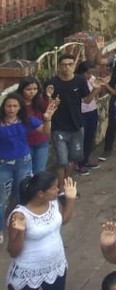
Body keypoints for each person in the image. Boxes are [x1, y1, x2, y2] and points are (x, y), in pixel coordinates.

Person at [6, 172, 76, 290]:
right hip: (30, 273)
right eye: (54, 188)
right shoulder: (19, 215)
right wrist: (20, 231)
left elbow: (63, 220)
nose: (58, 190)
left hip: (56, 266)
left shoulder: (53, 203)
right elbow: (13, 252)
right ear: (41, 194)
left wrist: (71, 199)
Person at [0, 94, 56, 235]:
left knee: (24, 194)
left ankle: (24, 224)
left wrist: (47, 118)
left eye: (15, 106)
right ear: (3, 107)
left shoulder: (26, 120)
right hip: (3, 165)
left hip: (23, 163)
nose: (11, 109)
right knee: (2, 199)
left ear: (20, 107)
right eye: (8, 106)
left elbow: (45, 132)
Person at [46, 53, 94, 189]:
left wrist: (96, 89)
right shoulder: (52, 83)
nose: (66, 67)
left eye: (70, 64)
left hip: (76, 126)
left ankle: (68, 186)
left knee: (73, 159)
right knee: (61, 161)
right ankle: (60, 188)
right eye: (63, 65)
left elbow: (87, 100)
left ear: (74, 65)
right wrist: (49, 98)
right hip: (58, 128)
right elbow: (46, 104)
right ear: (59, 67)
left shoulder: (79, 81)